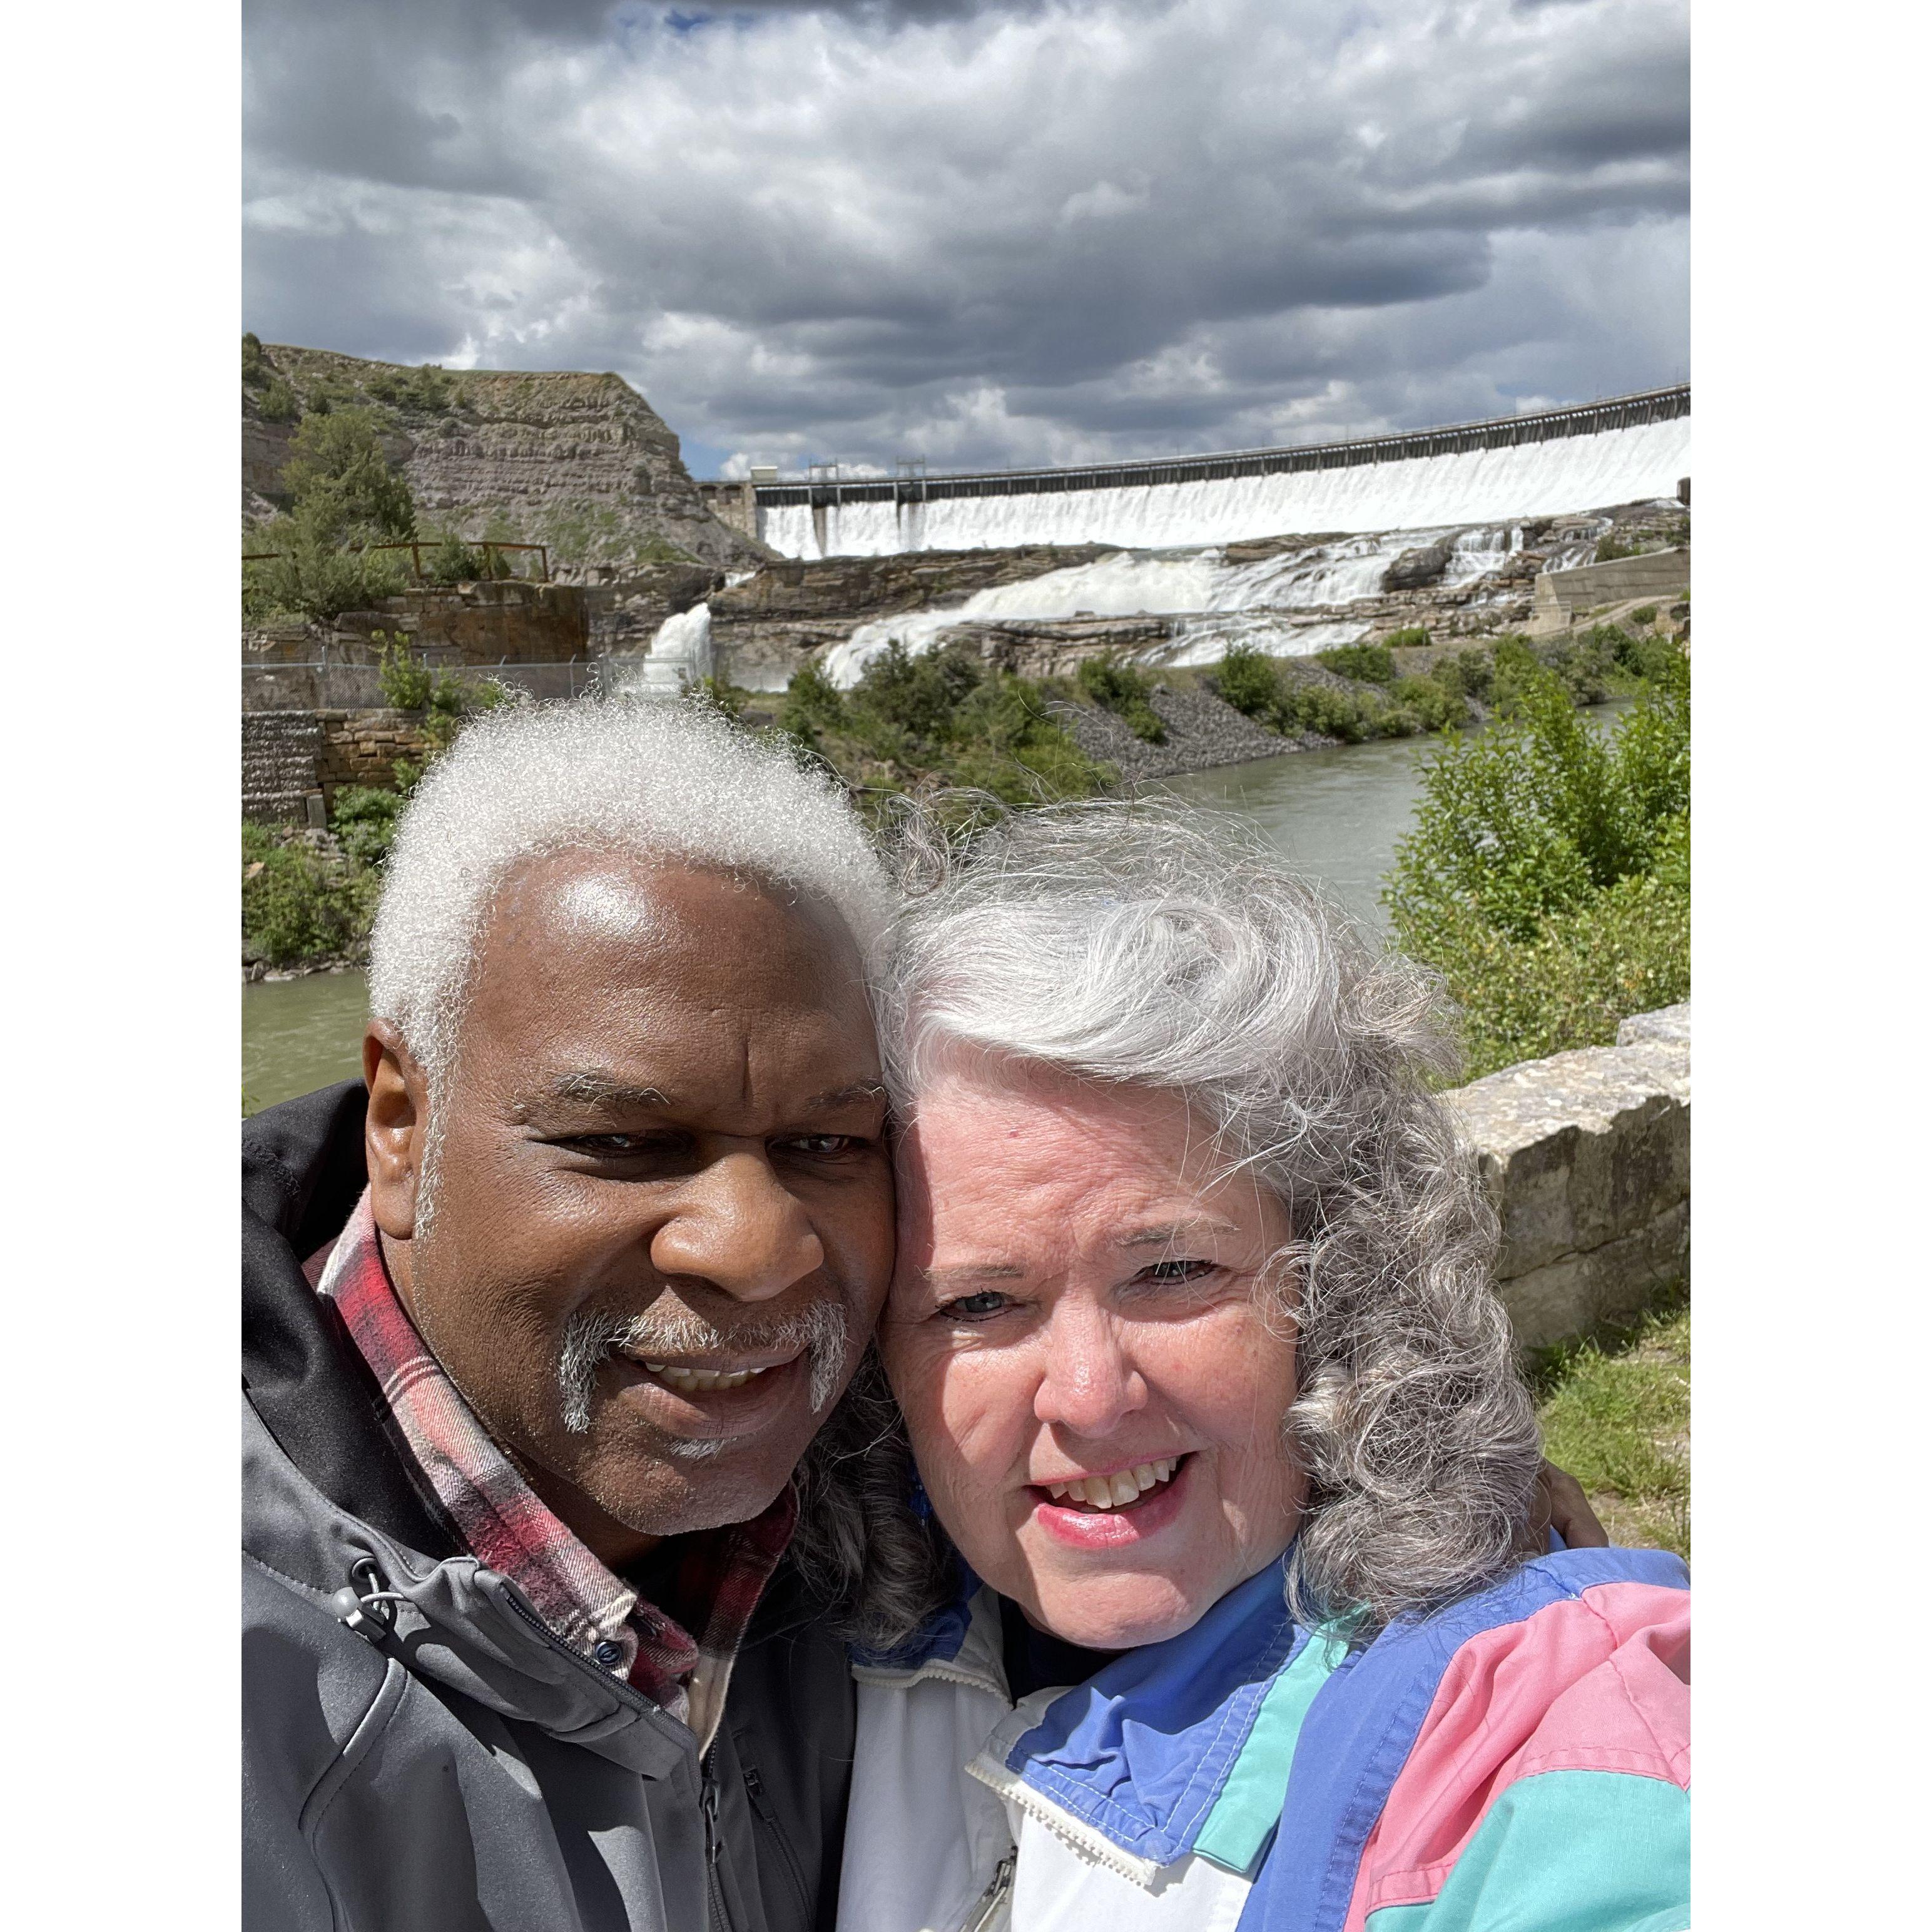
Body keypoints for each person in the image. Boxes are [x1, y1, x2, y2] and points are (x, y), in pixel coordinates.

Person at [834, 803, 1689, 1932]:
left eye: (1176, 1270)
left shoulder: (1546, 1716)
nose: (1089, 1398)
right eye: (979, 1303)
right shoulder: (802, 1653)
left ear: (1337, 1288)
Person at [243, 698, 909, 1932]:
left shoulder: (911, 1512)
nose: (754, 1251)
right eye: (621, 1140)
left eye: (827, 1140)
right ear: (402, 1125)